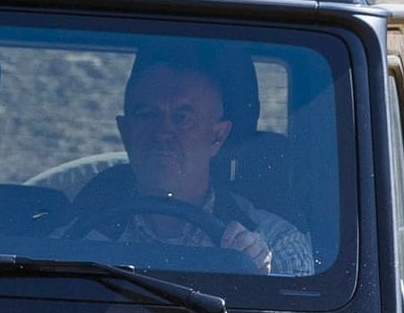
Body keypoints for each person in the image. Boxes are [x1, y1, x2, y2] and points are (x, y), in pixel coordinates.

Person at [81, 45, 314, 276]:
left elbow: (304, 295)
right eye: (148, 115)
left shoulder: (275, 242)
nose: (162, 132)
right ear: (125, 132)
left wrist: (258, 280)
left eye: (182, 118)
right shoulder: (81, 239)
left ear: (217, 137)